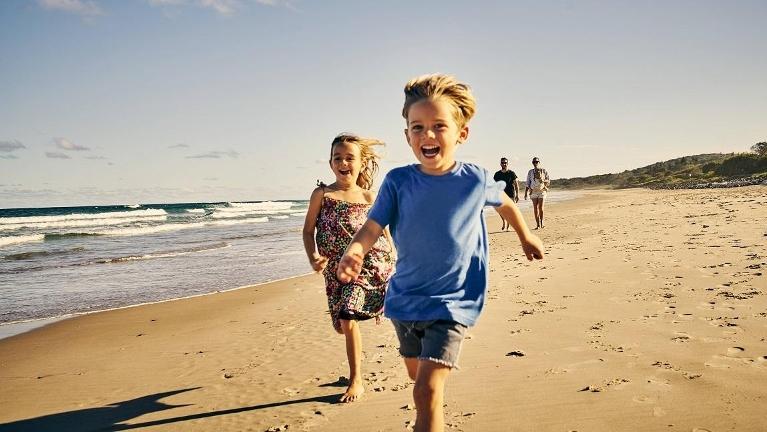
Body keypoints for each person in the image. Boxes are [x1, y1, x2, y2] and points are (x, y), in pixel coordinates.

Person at [336, 74, 544, 431]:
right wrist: (355, 249)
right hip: (405, 302)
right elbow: (372, 226)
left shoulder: (474, 179)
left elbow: (506, 203)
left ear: (461, 134)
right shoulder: (399, 181)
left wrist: (526, 236)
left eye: (438, 126)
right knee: (420, 384)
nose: (427, 136)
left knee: (426, 392)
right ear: (407, 135)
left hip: (453, 302)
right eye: (417, 128)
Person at [302, 133, 395, 403]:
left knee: (347, 315)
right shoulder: (322, 194)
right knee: (342, 325)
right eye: (338, 158)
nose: (344, 162)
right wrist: (313, 257)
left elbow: (384, 231)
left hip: (369, 264)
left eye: (350, 158)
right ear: (331, 163)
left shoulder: (368, 196)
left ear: (361, 162)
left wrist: (395, 255)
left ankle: (356, 380)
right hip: (335, 271)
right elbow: (308, 231)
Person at [493, 157, 519, 231]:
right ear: (500, 164)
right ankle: (504, 221)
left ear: (507, 164)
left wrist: (517, 195)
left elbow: (516, 184)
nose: (504, 164)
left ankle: (508, 226)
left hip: (511, 195)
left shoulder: (511, 173)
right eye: (503, 163)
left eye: (505, 163)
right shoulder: (497, 174)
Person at [524, 156, 550, 229]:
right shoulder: (530, 172)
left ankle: (542, 222)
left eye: (537, 162)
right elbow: (527, 183)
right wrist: (525, 193)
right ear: (532, 163)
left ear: (539, 162)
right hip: (533, 191)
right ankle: (537, 224)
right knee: (535, 208)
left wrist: (543, 180)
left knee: (541, 207)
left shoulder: (544, 171)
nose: (535, 163)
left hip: (542, 191)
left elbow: (548, 181)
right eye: (534, 162)